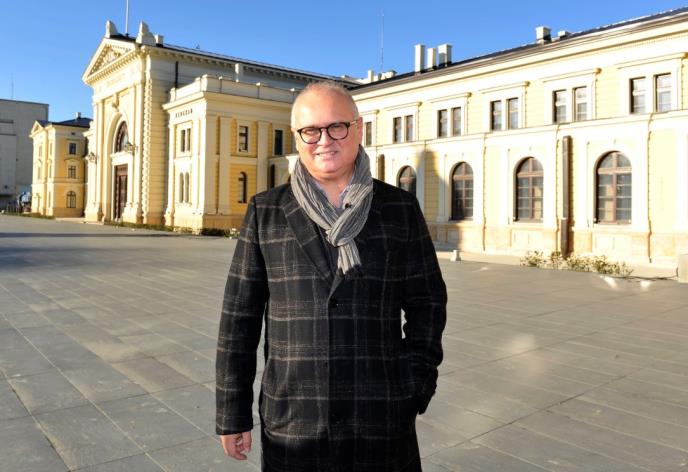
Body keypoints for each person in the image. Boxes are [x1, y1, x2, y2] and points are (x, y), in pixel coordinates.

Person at [216, 81, 447, 472]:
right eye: (311, 130)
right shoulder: (266, 211)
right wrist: (232, 412)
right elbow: (239, 320)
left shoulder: (399, 209)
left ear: (358, 129)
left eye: (336, 127)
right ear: (297, 137)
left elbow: (428, 303)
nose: (324, 140)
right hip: (295, 423)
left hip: (382, 420)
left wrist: (414, 385)